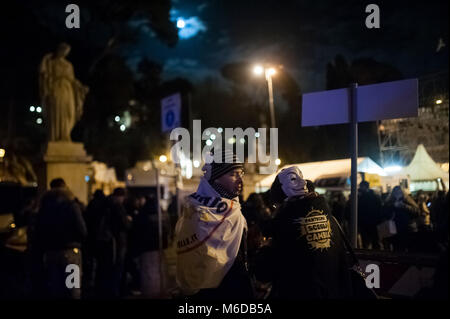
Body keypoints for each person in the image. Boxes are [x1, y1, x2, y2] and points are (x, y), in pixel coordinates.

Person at [260, 166, 353, 299]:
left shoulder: (284, 224)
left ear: (283, 200)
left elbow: (265, 272)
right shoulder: (329, 217)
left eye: (276, 205)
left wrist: (265, 249)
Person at [175, 149, 254, 299]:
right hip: (209, 292)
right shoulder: (195, 211)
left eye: (241, 173)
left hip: (237, 288)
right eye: (233, 174)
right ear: (216, 178)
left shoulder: (234, 207)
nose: (240, 180)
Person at [33, 178, 87, 299]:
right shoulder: (71, 205)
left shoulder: (44, 207)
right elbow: (82, 230)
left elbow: (38, 231)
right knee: (72, 288)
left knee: (56, 289)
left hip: (51, 252)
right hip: (70, 252)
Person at [39, 42, 89, 142]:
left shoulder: (69, 65)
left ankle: (66, 134)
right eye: (63, 50)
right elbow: (44, 73)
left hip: (68, 90)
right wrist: (46, 59)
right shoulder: (52, 63)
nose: (65, 52)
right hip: (57, 88)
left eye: (67, 51)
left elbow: (72, 79)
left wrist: (81, 87)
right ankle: (57, 136)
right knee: (58, 111)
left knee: (69, 112)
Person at [94, 187, 131, 298]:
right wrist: (129, 221)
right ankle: (114, 293)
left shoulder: (104, 204)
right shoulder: (116, 206)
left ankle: (104, 291)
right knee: (116, 269)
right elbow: (124, 225)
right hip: (116, 242)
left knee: (105, 268)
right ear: (120, 196)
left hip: (105, 242)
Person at [132, 195, 170, 298]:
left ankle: (150, 291)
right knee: (159, 270)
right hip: (160, 247)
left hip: (146, 248)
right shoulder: (161, 215)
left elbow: (136, 231)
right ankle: (160, 289)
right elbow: (167, 229)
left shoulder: (142, 215)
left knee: (148, 272)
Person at [382, 186, 421, 252]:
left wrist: (404, 206)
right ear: (393, 193)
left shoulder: (408, 201)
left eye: (399, 192)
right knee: (397, 248)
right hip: (394, 230)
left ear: (403, 192)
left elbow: (417, 212)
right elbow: (384, 214)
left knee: (409, 248)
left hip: (407, 228)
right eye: (396, 192)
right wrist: (393, 206)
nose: (397, 193)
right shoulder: (389, 202)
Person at [357, 181, 382, 250]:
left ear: (365, 187)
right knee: (375, 242)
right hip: (373, 223)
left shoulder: (361, 197)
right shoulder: (375, 196)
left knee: (367, 243)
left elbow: (359, 211)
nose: (360, 188)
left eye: (361, 186)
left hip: (366, 223)